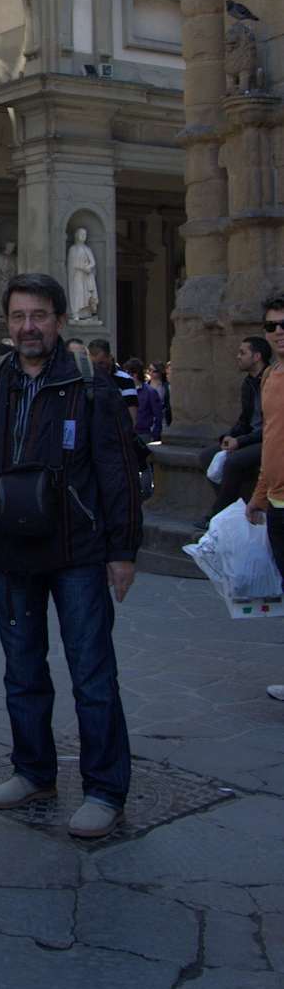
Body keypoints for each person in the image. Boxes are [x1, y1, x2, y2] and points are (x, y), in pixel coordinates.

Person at [0, 272, 142, 841]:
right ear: (7, 323)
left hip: (77, 549)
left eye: (38, 316)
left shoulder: (90, 383)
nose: (28, 327)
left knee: (92, 673)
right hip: (9, 547)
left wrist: (122, 551)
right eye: (18, 316)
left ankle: (105, 790)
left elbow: (117, 470)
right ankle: (33, 772)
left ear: (59, 320)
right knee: (22, 670)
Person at [246, 296, 284, 702]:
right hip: (276, 503)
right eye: (272, 325)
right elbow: (271, 442)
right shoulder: (270, 377)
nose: (279, 332)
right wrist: (259, 495)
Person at [200, 336, 269, 516]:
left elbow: (271, 425)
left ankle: (219, 513)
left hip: (268, 440)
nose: (238, 356)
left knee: (233, 461)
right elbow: (244, 420)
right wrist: (228, 436)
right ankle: (231, 510)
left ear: (257, 357)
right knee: (207, 455)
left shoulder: (271, 380)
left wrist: (240, 441)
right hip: (251, 436)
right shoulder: (248, 383)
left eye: (242, 353)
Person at [88, 337, 138, 425]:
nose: (97, 368)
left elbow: (132, 416)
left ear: (110, 357)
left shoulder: (125, 380)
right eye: (93, 364)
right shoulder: (87, 379)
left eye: (101, 363)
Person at [123, 357, 163, 442]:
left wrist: (154, 436)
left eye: (127, 373)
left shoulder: (150, 392)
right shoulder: (124, 391)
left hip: (143, 435)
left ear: (135, 374)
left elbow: (158, 416)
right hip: (126, 434)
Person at [148, 361, 172, 427]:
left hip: (163, 421)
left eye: (154, 371)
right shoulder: (145, 386)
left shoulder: (166, 386)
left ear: (160, 372)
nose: (150, 372)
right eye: (149, 370)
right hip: (147, 421)